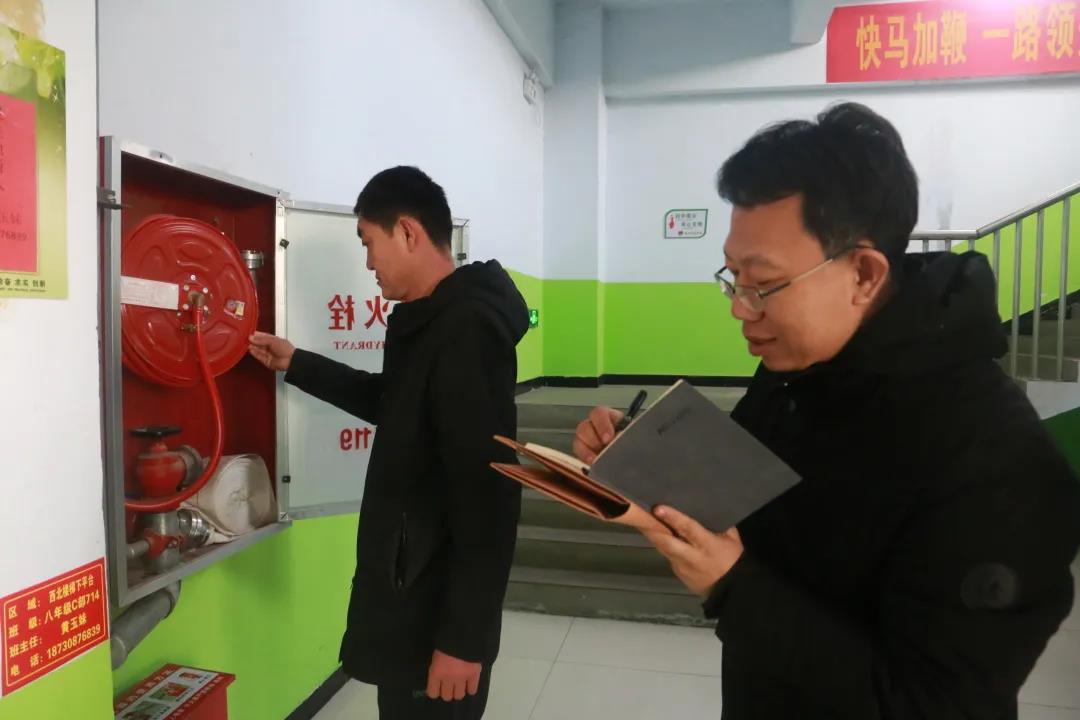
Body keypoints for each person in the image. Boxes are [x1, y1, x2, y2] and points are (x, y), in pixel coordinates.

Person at [573, 103, 1080, 719]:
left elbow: (937, 703)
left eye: (763, 283)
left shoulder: (998, 459)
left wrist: (733, 586)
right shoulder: (795, 372)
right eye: (733, 276)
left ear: (864, 273)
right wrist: (642, 453)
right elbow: (745, 496)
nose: (739, 308)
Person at [249, 166, 528, 719]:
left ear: (407, 232)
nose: (368, 263)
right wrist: (298, 363)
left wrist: (464, 639)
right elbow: (394, 404)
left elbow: (489, 493)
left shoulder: (465, 329)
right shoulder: (429, 320)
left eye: (368, 243)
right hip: (410, 588)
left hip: (435, 607)